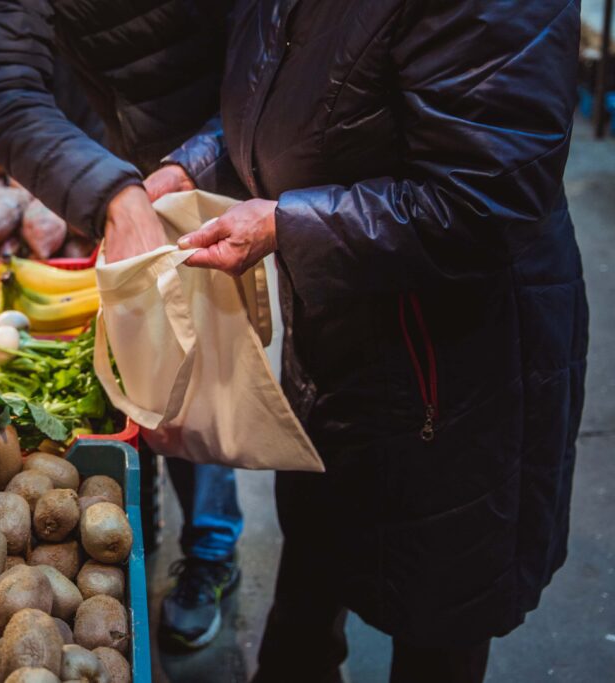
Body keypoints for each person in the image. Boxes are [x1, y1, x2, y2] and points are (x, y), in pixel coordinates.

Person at [152, 1, 587, 681]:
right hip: (339, 335)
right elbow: (283, 99)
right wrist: (195, 167)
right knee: (314, 572)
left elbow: (487, 195)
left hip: (457, 372)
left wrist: (288, 226)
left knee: (439, 611)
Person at [0, 0, 244, 650]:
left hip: (204, 161)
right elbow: (1, 80)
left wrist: (189, 165)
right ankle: (164, 518)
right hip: (95, 161)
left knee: (199, 374)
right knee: (148, 372)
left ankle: (210, 549)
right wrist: (107, 189)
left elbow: (268, 73)